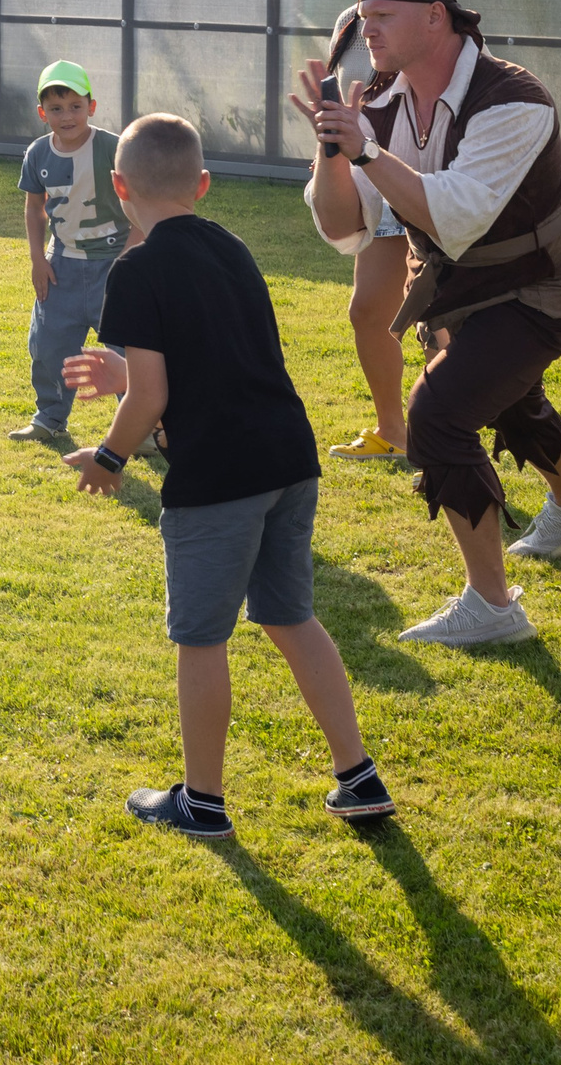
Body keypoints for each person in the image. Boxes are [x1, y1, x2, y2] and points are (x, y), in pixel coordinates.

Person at [62, 114, 394, 839]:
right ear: (204, 186)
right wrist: (127, 372)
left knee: (201, 637)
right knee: (291, 617)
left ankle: (202, 803)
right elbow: (211, 357)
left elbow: (149, 399)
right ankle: (357, 776)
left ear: (119, 187)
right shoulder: (233, 248)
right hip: (287, 459)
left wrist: (108, 459)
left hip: (218, 477)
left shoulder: (135, 270)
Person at [292, 0, 561, 649]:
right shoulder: (378, 104)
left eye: (383, 14)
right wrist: (332, 150)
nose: (366, 28)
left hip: (547, 282)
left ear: (435, 16)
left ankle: (493, 606)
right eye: (364, 14)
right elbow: (344, 229)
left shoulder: (515, 98)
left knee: (439, 414)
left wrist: (369, 154)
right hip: (463, 288)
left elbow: (460, 216)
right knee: (501, 392)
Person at [323, 0, 422, 463]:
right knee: (369, 312)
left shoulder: (435, 19)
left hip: (428, 185)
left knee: (442, 320)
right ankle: (394, 433)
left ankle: (449, 435)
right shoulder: (347, 22)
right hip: (374, 184)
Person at [9, 60, 140, 442]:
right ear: (42, 113)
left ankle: (142, 427)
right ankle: (49, 418)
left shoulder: (114, 149)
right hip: (61, 266)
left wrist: (128, 261)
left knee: (128, 349)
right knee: (49, 344)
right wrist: (37, 259)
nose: (66, 116)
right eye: (55, 108)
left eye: (75, 107)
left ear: (92, 107)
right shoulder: (37, 154)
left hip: (113, 266)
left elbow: (140, 206)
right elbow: (35, 208)